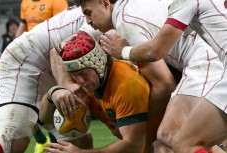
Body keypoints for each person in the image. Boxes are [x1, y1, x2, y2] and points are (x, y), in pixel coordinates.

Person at [96, 0, 227, 152]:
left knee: (180, 140)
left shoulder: (126, 18)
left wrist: (123, 51)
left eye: (87, 12)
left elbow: (156, 53)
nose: (88, 20)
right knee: (171, 137)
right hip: (211, 63)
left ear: (105, 3)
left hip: (207, 61)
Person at [0, 7, 92, 153]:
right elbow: (57, 51)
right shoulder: (100, 23)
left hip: (57, 65)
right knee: (12, 140)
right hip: (29, 59)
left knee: (80, 142)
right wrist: (65, 85)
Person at [40, 30, 162, 153]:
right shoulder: (83, 82)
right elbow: (44, 120)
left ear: (98, 63)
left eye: (83, 73)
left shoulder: (126, 84)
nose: (80, 81)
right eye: (74, 75)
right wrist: (54, 92)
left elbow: (134, 146)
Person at [15, 0, 69, 152]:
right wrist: (15, 50)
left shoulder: (57, 2)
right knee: (24, 104)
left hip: (51, 58)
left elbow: (63, 30)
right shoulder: (25, 2)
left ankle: (54, 145)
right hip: (30, 60)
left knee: (54, 104)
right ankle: (40, 140)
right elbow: (22, 26)